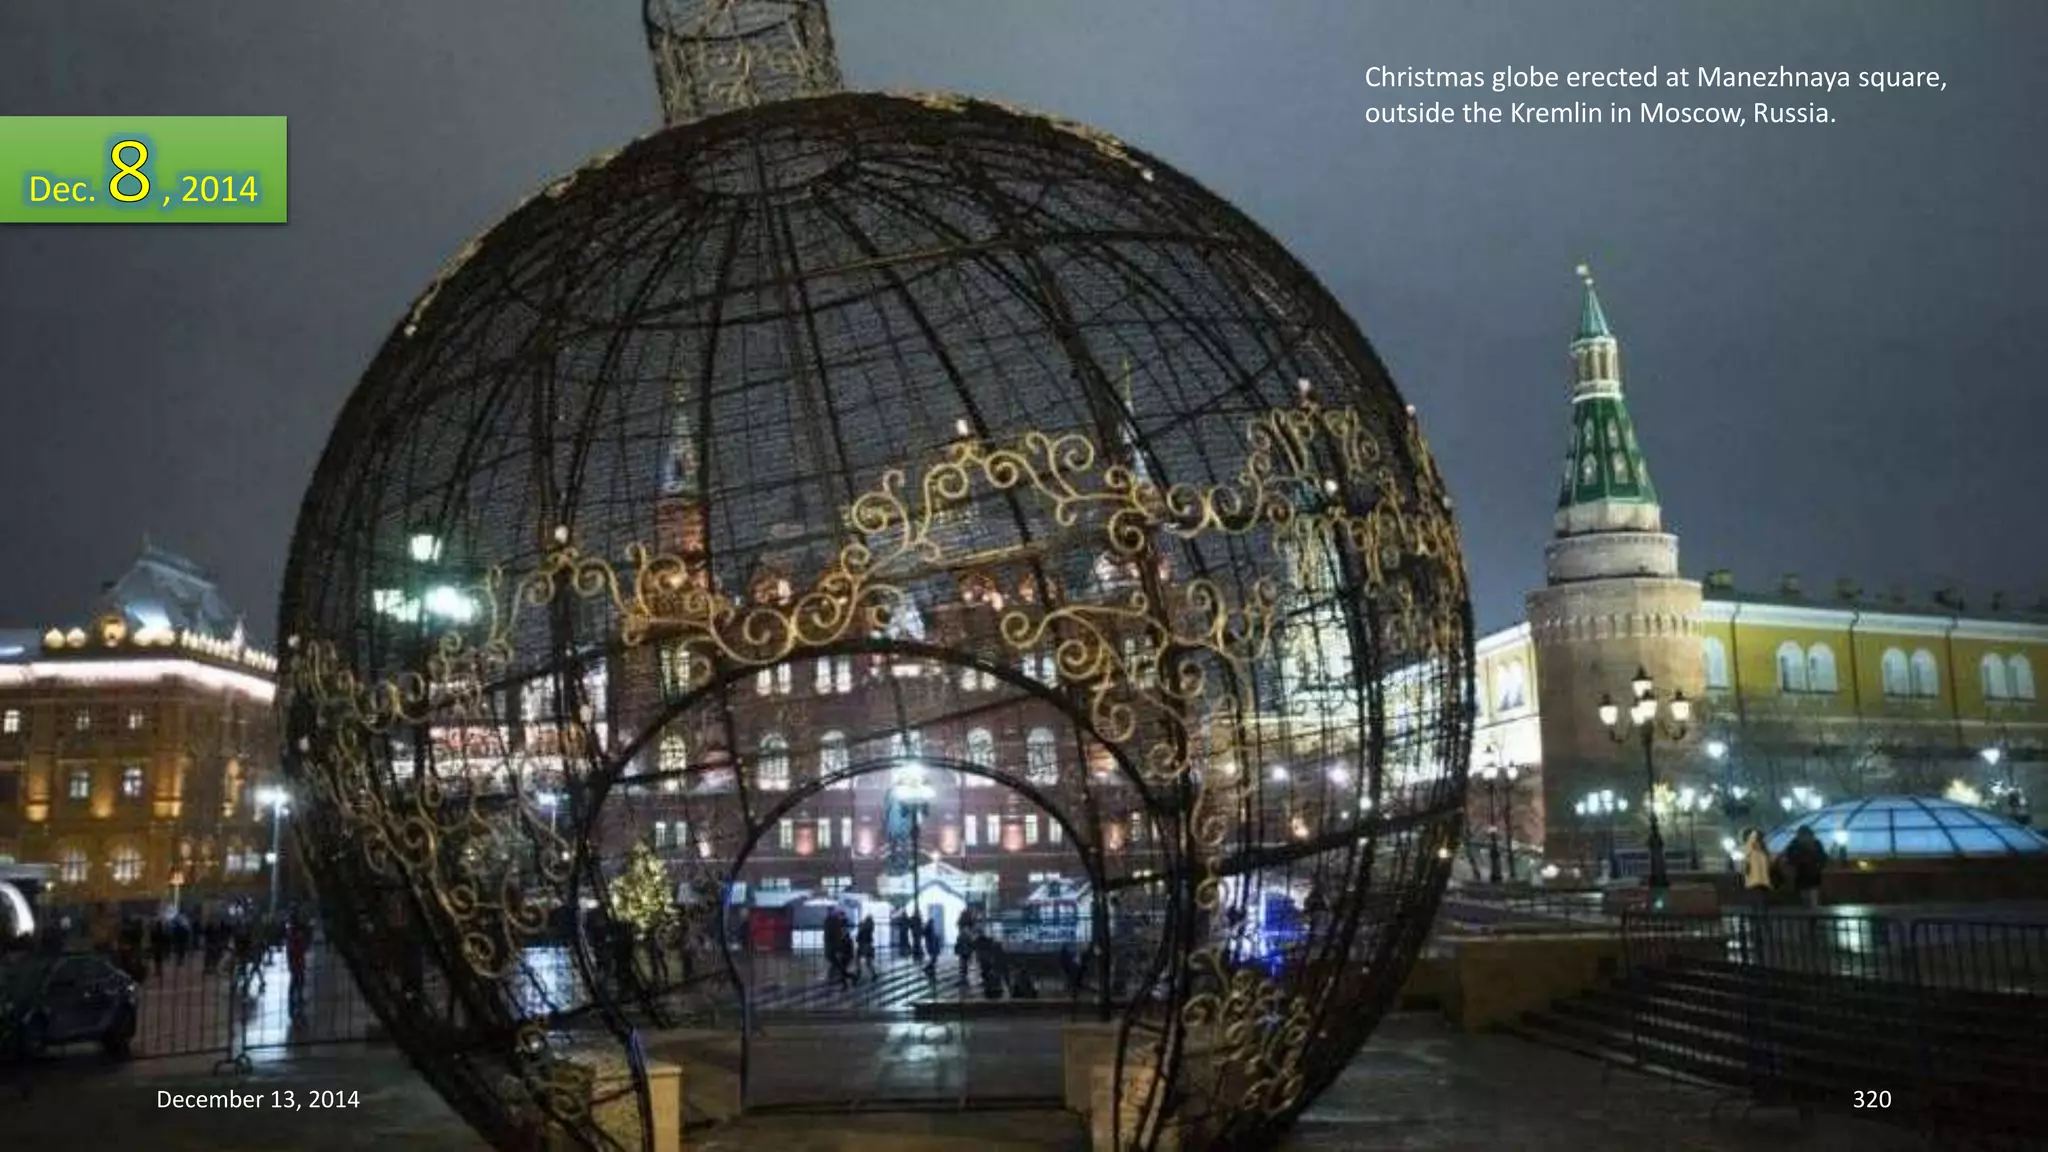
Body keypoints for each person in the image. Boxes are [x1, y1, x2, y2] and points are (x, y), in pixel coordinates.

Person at [1782, 825, 1828, 909]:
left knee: (1807, 903)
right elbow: (1823, 858)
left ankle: (1810, 919)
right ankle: (1813, 919)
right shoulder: (1815, 844)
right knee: (1811, 902)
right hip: (1809, 878)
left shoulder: (1795, 844)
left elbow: (1789, 858)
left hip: (1806, 878)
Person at [285, 916, 311, 1016]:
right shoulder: (294, 936)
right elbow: (300, 948)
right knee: (296, 981)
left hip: (296, 961)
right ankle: (294, 1000)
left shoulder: (291, 935)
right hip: (296, 961)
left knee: (298, 980)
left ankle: (296, 999)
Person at [1741, 829, 1773, 908]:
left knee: (1761, 906)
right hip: (1755, 883)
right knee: (1758, 906)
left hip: (1762, 883)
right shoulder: (1751, 851)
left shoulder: (1763, 853)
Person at [855, 914, 877, 982]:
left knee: (857, 960)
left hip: (862, 945)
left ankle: (858, 974)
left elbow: (858, 937)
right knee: (868, 962)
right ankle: (873, 974)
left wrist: (860, 926)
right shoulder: (870, 927)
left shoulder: (863, 927)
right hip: (868, 945)